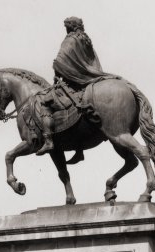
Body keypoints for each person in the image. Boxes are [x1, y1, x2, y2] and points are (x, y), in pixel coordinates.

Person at [35, 16, 110, 156]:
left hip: (73, 81)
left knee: (46, 102)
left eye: (66, 27)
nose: (66, 29)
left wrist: (56, 67)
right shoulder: (86, 40)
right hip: (88, 80)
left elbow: (61, 59)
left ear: (70, 27)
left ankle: (49, 140)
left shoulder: (70, 39)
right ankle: (78, 148)